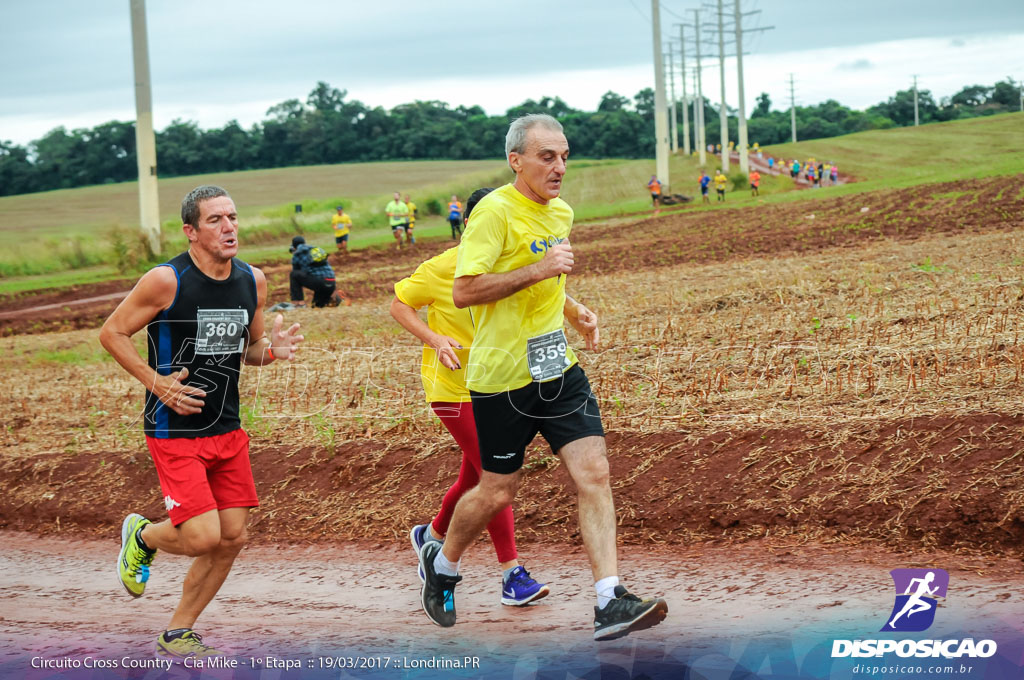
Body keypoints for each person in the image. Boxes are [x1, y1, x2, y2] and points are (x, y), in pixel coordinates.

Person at [416, 113, 667, 642]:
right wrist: (539, 269)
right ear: (516, 161)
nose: (559, 167)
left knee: (594, 472)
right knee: (497, 490)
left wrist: (574, 310)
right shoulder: (493, 213)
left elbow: (547, 279)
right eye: (547, 156)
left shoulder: (562, 211)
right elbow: (465, 291)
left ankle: (609, 600)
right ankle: (442, 563)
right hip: (502, 377)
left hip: (557, 369)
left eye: (565, 156)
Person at [99, 185, 303, 662]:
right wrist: (158, 383)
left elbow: (248, 351)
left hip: (227, 429)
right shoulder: (165, 281)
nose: (229, 227)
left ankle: (178, 632)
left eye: (232, 217)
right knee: (201, 537)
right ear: (191, 231)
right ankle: (144, 535)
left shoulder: (253, 281)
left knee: (232, 537)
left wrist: (272, 352)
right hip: (174, 430)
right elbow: (112, 333)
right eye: (215, 220)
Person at [393, 187, 595, 607]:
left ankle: (430, 537)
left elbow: (539, 292)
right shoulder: (442, 267)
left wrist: (575, 312)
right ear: (474, 224)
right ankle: (511, 574)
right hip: (453, 389)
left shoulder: (513, 261)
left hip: (502, 383)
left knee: (475, 478)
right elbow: (400, 305)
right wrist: (434, 337)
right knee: (493, 478)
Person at [289, 236, 337, 307]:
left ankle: (299, 304)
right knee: (316, 306)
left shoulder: (298, 253)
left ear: (294, 247)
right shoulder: (316, 250)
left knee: (294, 275)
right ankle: (333, 299)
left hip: (319, 282)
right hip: (331, 283)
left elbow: (297, 272)